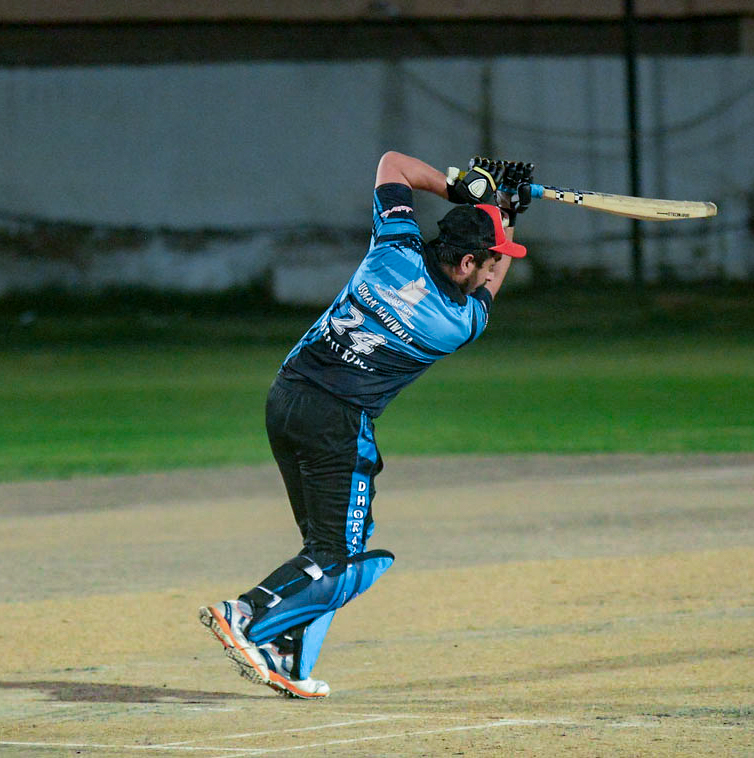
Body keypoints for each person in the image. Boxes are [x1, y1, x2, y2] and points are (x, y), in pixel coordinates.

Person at [199, 150, 534, 698]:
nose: (494, 267)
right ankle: (246, 614)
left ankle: (290, 656)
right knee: (339, 559)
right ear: (467, 263)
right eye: (489, 258)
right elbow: (489, 286)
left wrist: (465, 194)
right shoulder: (454, 323)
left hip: (286, 398)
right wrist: (506, 212)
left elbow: (393, 165)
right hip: (337, 424)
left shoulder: (393, 248)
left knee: (329, 543)